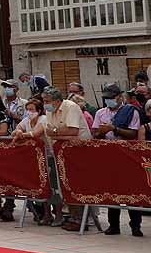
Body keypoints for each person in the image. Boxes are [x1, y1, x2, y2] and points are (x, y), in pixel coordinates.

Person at [92, 84, 143, 237]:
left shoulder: (130, 111)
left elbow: (133, 133)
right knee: (111, 190)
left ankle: (135, 225)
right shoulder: (101, 113)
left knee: (132, 192)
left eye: (111, 98)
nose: (109, 101)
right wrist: (101, 132)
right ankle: (113, 225)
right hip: (108, 155)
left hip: (127, 154)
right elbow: (95, 134)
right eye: (106, 98)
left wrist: (114, 129)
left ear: (119, 97)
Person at [42, 86, 91, 231]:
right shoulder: (50, 110)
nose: (45, 104)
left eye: (47, 101)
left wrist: (57, 133)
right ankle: (72, 216)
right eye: (44, 101)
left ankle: (81, 219)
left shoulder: (71, 107)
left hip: (79, 151)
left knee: (78, 184)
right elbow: (50, 133)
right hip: (62, 151)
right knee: (64, 183)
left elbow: (73, 131)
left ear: (57, 101)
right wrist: (60, 134)